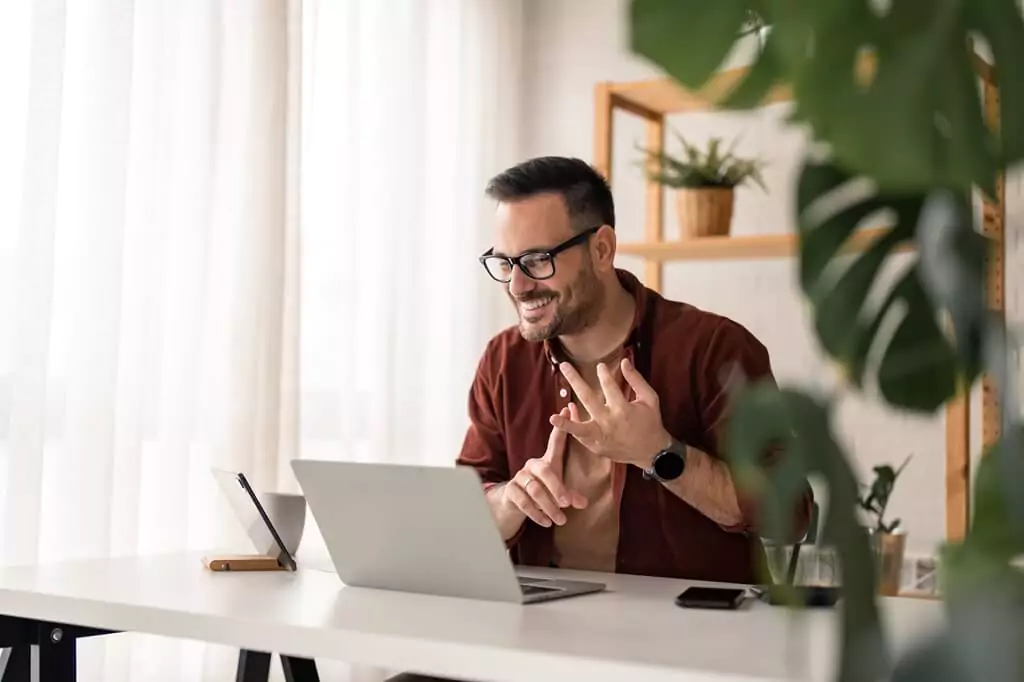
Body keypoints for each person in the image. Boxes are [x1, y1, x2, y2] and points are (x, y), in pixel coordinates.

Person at [458, 155, 813, 584]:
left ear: (602, 249)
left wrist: (661, 454)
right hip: (541, 633)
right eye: (505, 263)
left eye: (536, 261)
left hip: (694, 638)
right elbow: (466, 502)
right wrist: (507, 502)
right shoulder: (503, 361)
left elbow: (790, 513)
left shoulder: (714, 349)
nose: (517, 286)